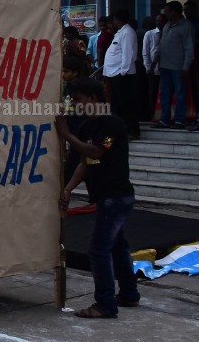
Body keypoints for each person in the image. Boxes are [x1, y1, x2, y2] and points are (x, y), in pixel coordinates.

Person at [57, 77, 140, 319]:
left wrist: (66, 135)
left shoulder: (113, 124)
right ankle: (129, 294)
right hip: (106, 197)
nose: (76, 105)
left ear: (93, 98)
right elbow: (85, 162)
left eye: (79, 100)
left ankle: (105, 304)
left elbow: (95, 151)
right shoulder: (86, 127)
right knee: (117, 246)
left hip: (116, 197)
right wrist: (69, 188)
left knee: (98, 249)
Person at [103, 8, 140, 139]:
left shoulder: (128, 32)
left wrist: (123, 72)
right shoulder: (120, 32)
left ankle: (131, 131)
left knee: (126, 104)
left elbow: (128, 54)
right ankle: (120, 131)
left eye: (113, 19)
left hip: (122, 74)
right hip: (114, 74)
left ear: (117, 20)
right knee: (117, 105)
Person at [158, 1, 195, 128]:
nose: (166, 14)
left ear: (174, 12)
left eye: (167, 11)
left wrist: (185, 67)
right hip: (165, 66)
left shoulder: (186, 26)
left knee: (180, 94)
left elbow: (189, 48)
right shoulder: (167, 25)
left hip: (178, 67)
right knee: (165, 94)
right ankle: (164, 119)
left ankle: (180, 120)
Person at [141, 14, 163, 122]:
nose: (160, 22)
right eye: (158, 20)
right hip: (154, 70)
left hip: (167, 69)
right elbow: (145, 53)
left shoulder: (167, 33)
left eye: (162, 20)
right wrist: (148, 67)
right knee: (153, 93)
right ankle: (153, 115)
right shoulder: (149, 34)